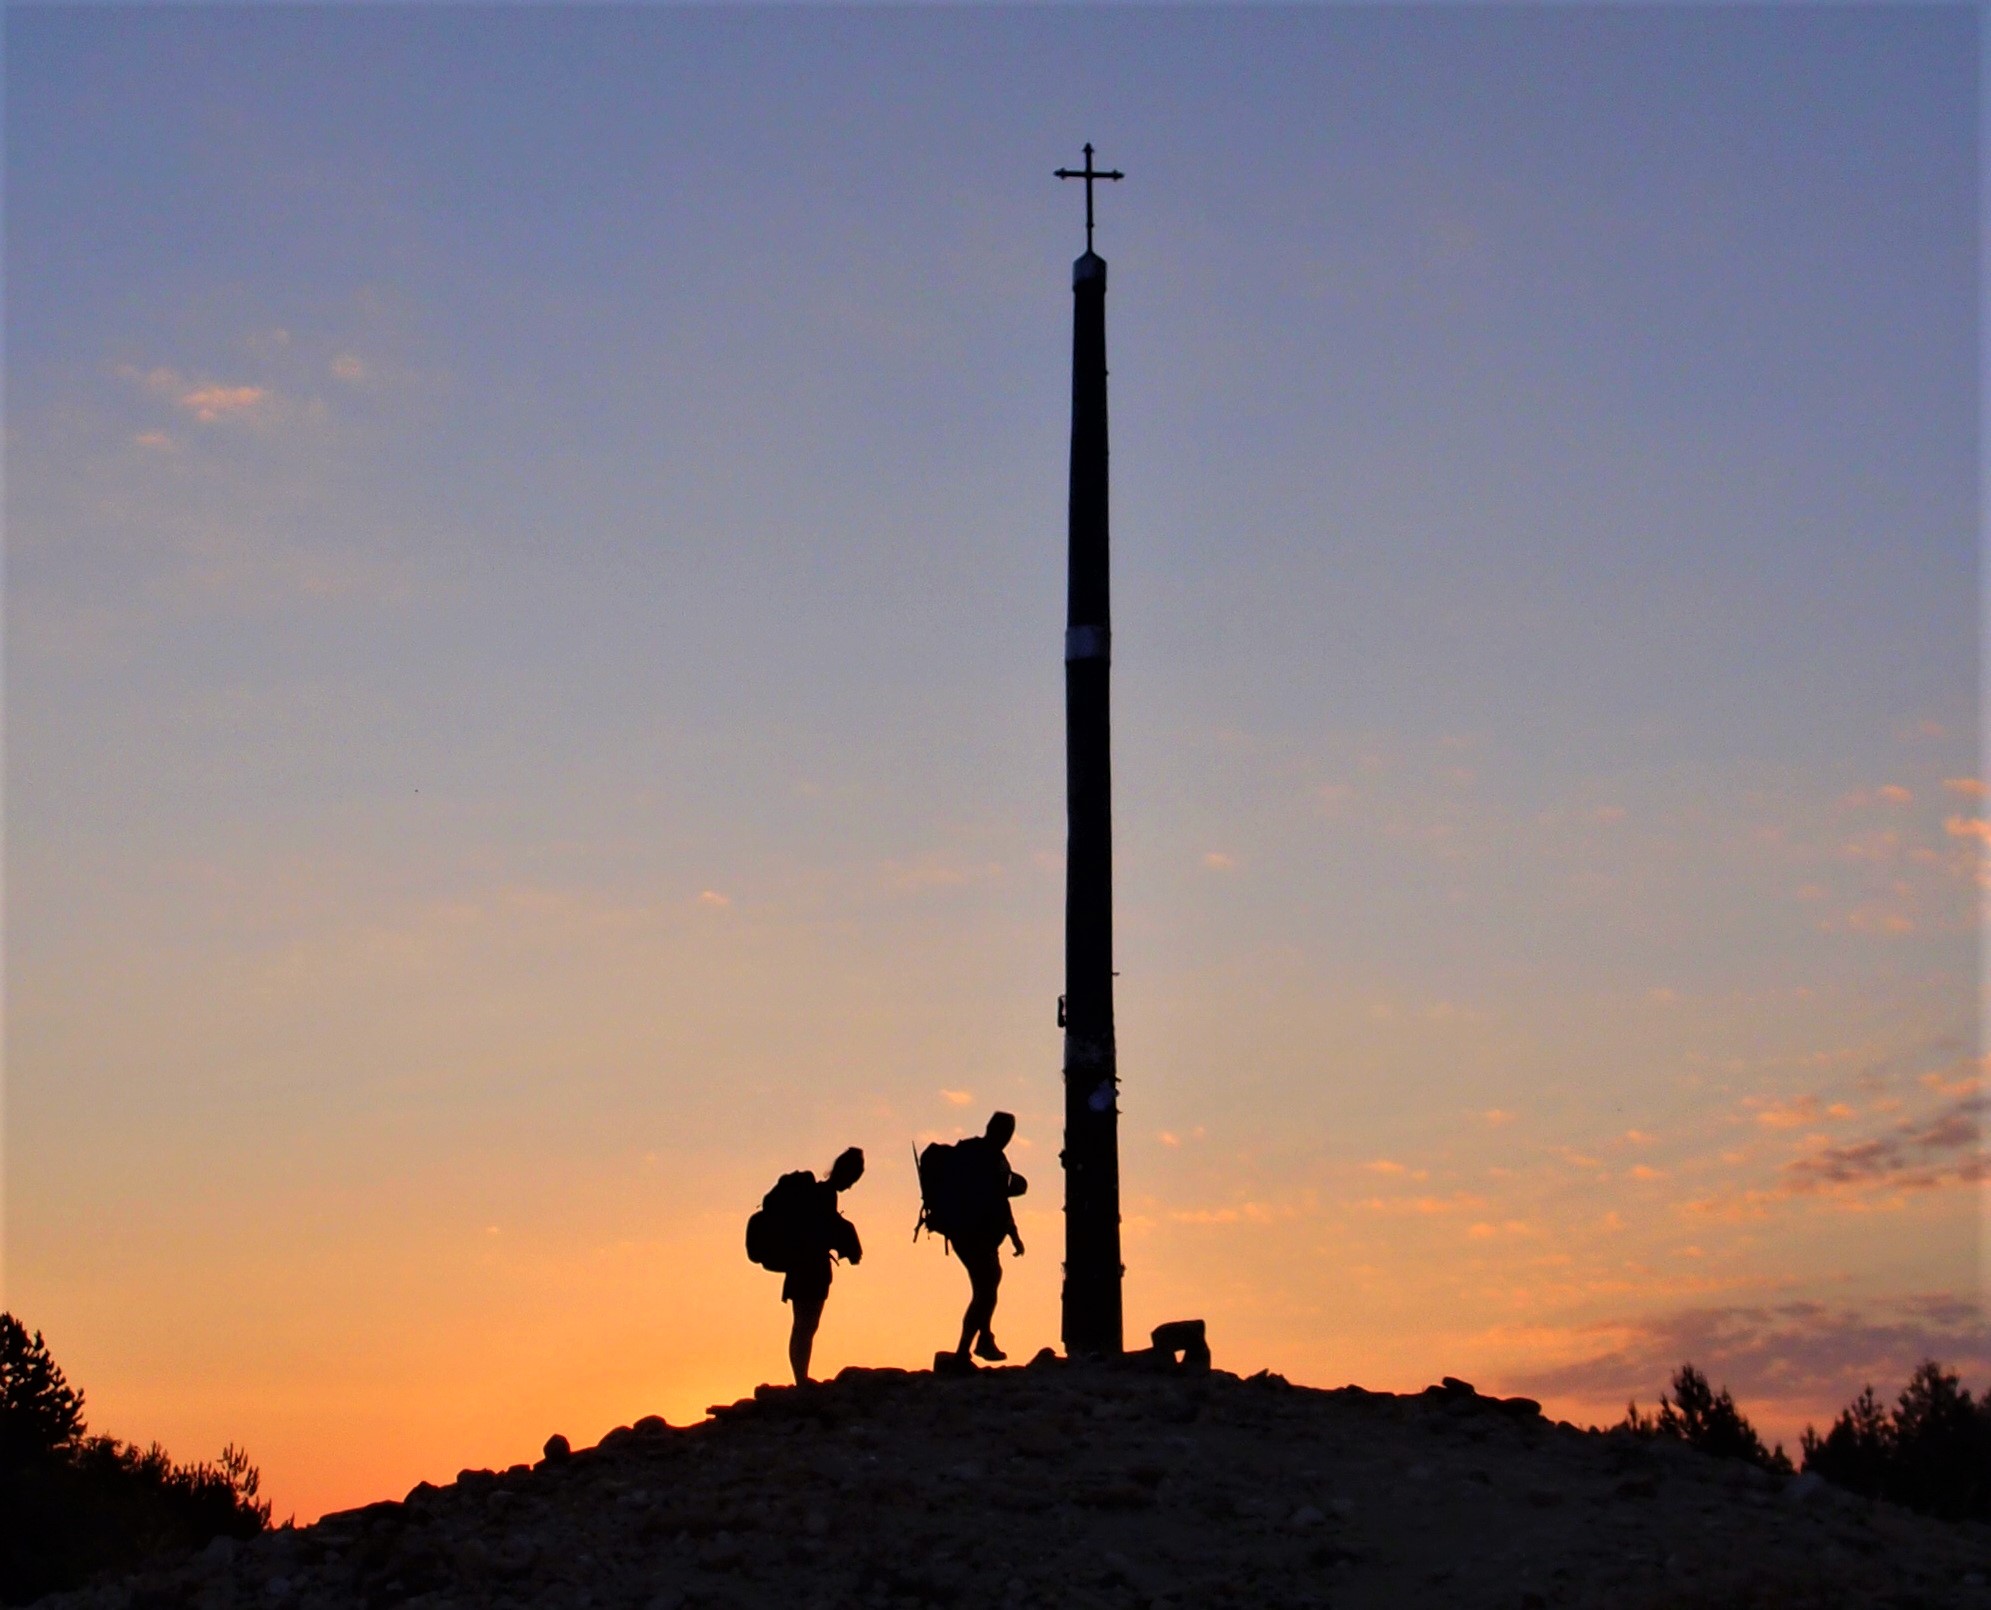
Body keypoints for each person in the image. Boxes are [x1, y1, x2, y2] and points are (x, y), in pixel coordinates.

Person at [783, 1146, 865, 1386]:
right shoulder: (825, 1195)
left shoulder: (819, 1194)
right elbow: (826, 1228)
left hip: (801, 1268)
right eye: (852, 1179)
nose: (850, 1186)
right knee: (805, 1326)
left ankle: (800, 1377)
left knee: (803, 1325)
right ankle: (801, 1379)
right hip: (811, 1269)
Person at [949, 1112, 1027, 1365]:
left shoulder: (979, 1152)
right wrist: (1014, 1234)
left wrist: (1013, 1235)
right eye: (1006, 1131)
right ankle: (966, 1350)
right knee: (986, 1290)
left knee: (986, 1288)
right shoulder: (989, 1157)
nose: (1007, 1137)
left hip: (970, 1234)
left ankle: (982, 1339)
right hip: (974, 1234)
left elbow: (999, 1197)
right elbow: (999, 1198)